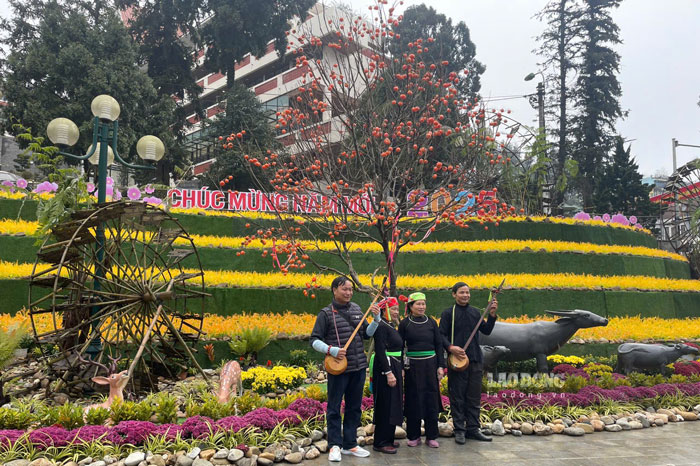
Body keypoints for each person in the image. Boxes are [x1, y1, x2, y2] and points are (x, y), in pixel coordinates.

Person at [310, 276, 381, 462]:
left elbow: (366, 334)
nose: (349, 292)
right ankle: (335, 445)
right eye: (345, 289)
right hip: (338, 369)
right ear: (334, 290)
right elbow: (314, 340)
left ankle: (350, 444)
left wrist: (376, 319)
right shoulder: (325, 314)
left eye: (350, 289)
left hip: (358, 367)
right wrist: (331, 350)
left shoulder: (358, 309)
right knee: (334, 408)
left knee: (354, 407)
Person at [439, 281, 498, 445]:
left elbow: (486, 330)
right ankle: (459, 430)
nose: (465, 295)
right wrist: (451, 347)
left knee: (473, 397)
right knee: (457, 396)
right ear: (454, 294)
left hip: (475, 360)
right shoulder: (448, 314)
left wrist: (492, 315)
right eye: (462, 292)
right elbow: (440, 336)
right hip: (456, 362)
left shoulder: (474, 312)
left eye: (467, 292)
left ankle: (473, 429)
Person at [398, 292, 445, 449]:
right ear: (410, 306)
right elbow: (400, 347)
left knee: (431, 400)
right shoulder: (405, 324)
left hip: (430, 366)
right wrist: (401, 368)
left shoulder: (431, 322)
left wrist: (440, 366)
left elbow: (439, 344)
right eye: (418, 304)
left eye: (423, 303)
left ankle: (431, 436)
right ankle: (414, 435)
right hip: (412, 367)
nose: (421, 306)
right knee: (413, 400)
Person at [370, 297, 403, 454]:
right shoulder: (381, 326)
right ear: (385, 310)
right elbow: (381, 351)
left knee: (393, 402)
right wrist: (388, 372)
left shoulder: (389, 325)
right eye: (394, 309)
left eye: (397, 309)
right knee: (385, 404)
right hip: (386, 367)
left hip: (394, 365)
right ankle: (380, 442)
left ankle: (388, 438)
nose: (397, 312)